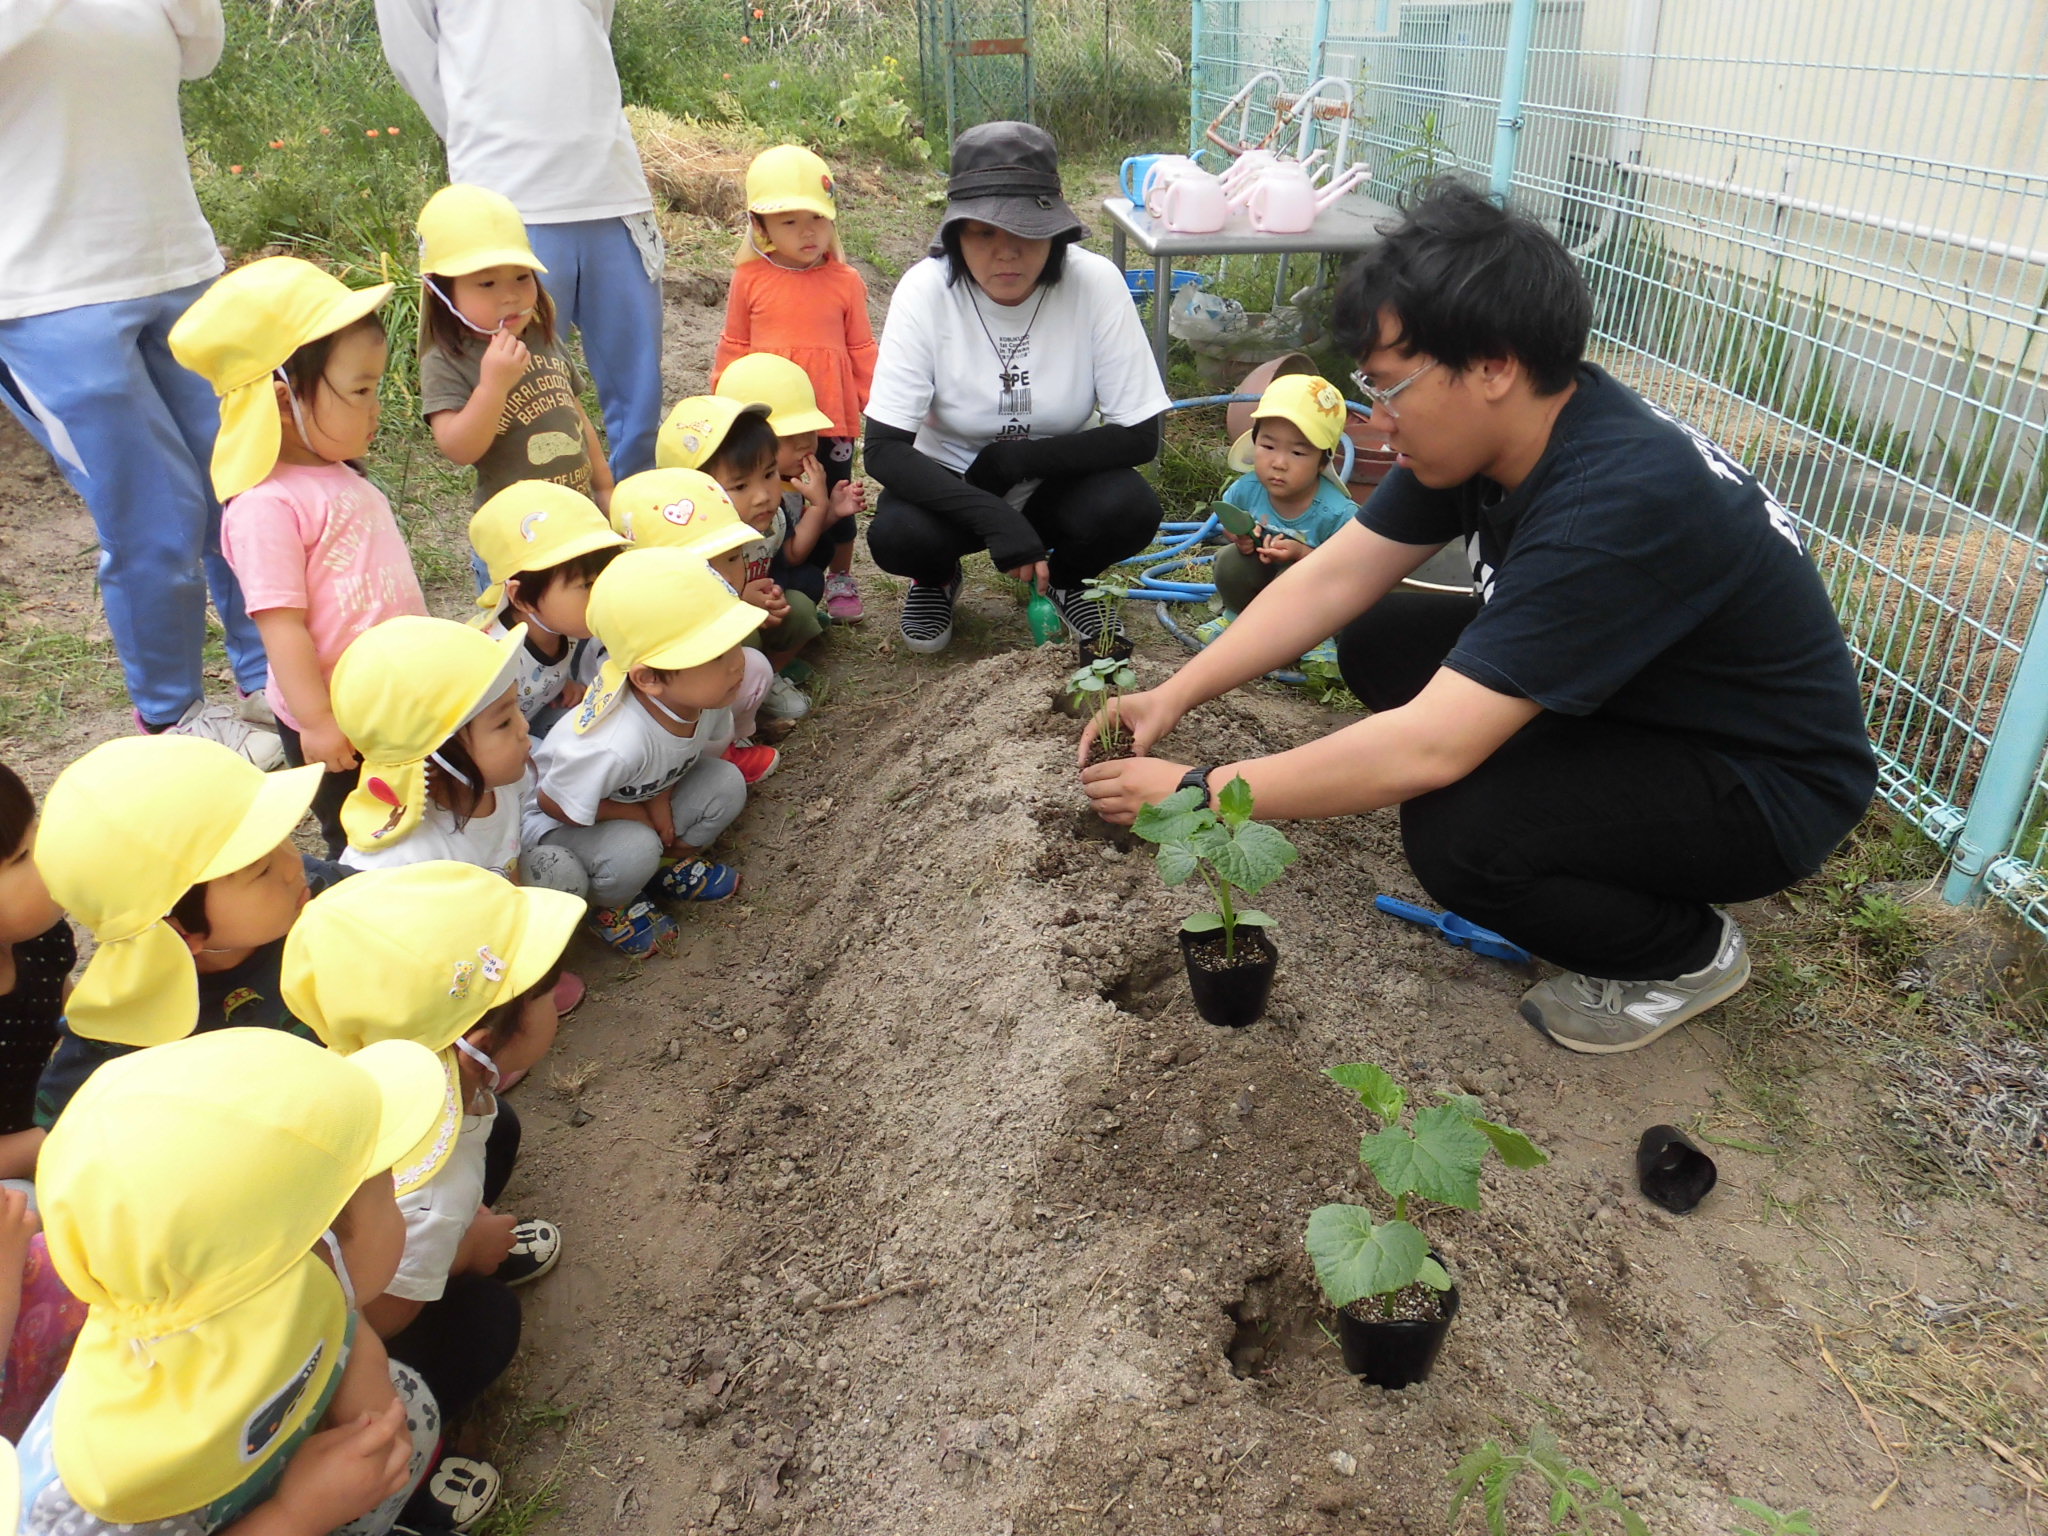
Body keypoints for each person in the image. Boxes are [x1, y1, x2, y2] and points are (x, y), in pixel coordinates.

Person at [1080, 183, 1876, 1056]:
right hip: (1649, 704)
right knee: (1382, 638)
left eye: (1390, 390)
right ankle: (1580, 831)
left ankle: (1685, 954)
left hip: (1763, 783)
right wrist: (1173, 696)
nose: (1377, 424)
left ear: (1492, 363)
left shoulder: (1609, 507)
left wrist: (1206, 793)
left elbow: (1430, 748)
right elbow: (1334, 580)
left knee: (1460, 835)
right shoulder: (1506, 425)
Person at [18, 1026, 479, 1534]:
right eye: (388, 1188)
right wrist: (294, 1516)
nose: (401, 1204)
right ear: (315, 1248)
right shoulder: (121, 1495)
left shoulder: (262, 1283)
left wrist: (358, 1380)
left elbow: (341, 1323)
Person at [0, 0, 276, 764]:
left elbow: (201, 48)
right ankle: (171, 715)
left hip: (177, 266)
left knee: (243, 489)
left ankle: (268, 677)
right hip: (45, 295)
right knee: (153, 518)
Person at [285, 863, 577, 1430]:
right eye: (542, 995)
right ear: (481, 1046)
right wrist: (463, 1248)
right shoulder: (435, 1186)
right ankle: (408, 1478)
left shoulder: (371, 1062)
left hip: (403, 1227)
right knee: (486, 1322)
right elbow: (382, 1313)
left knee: (502, 1128)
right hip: (349, 1320)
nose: (556, 1000)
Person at [864, 120, 1170, 657]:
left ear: (1055, 233)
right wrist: (994, 516)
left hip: (1057, 480)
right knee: (898, 536)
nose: (1006, 253)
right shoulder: (925, 291)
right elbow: (884, 449)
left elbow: (1141, 435)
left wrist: (1017, 462)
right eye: (984, 233)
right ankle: (935, 579)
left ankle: (1070, 581)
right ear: (956, 235)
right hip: (956, 480)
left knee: (1131, 507)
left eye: (1026, 233)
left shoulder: (1095, 283)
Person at [169, 258, 430, 860]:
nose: (376, 407)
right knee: (364, 836)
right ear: (284, 402)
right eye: (362, 390)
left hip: (396, 697)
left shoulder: (339, 474)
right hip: (338, 719)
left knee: (418, 810)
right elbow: (280, 623)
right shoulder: (266, 506)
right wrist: (316, 722)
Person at [377, 0, 664, 481]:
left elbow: (596, 23)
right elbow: (410, 53)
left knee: (640, 400)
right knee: (527, 400)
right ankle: (527, 544)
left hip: (611, 184)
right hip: (507, 201)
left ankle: (637, 526)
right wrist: (482, 135)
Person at [30, 737, 331, 1128]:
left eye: (281, 837)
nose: (294, 866)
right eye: (259, 870)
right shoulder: (128, 1036)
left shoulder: (321, 889)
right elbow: (74, 1131)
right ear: (181, 929)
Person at [529, 549, 760, 954]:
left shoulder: (705, 699)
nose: (736, 665)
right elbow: (554, 803)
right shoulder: (613, 742)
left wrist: (661, 798)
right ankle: (613, 907)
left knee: (725, 782)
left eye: (734, 645)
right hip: (564, 823)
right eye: (715, 655)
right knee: (634, 847)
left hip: (636, 797)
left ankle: (664, 869)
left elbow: (677, 761)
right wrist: (642, 812)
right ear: (649, 678)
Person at [711, 145, 877, 622]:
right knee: (775, 499)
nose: (808, 232)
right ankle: (767, 572)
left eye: (817, 219)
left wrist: (876, 404)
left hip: (831, 419)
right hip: (770, 420)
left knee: (838, 498)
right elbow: (735, 345)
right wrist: (724, 409)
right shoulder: (749, 279)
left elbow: (863, 349)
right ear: (760, 227)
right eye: (789, 222)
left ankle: (841, 574)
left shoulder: (845, 281)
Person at [418, 184, 616, 520]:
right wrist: (492, 386)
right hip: (516, 532)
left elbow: (575, 415)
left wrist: (604, 487)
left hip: (578, 515)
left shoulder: (539, 336)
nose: (510, 296)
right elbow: (458, 448)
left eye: (522, 277)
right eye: (487, 283)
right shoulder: (446, 359)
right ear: (438, 289)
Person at [607, 468, 785, 783]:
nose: (726, 578)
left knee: (751, 667)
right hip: (647, 740)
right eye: (705, 567)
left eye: (732, 559)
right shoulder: (630, 621)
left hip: (693, 714)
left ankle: (728, 747)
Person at [658, 396, 819, 721]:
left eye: (770, 473)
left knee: (800, 609)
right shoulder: (687, 544)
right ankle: (720, 711)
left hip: (756, 612)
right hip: (711, 633)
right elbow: (684, 615)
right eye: (740, 485)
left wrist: (772, 597)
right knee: (742, 635)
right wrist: (740, 600)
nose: (763, 495)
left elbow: (778, 561)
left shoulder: (771, 521)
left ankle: (766, 679)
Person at [1194, 374, 1360, 658]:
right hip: (1262, 579)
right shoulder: (1247, 489)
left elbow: (1350, 571)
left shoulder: (1338, 513)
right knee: (1230, 560)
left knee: (1298, 575)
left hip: (1312, 605)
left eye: (1297, 452)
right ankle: (1237, 615)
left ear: (1323, 462)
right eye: (1268, 447)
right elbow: (1229, 521)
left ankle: (1317, 639)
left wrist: (1300, 553)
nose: (1279, 463)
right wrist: (1240, 537)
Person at [716, 353, 867, 619]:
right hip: (738, 589)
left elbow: (795, 533)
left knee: (819, 553)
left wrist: (831, 512)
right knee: (807, 577)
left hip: (767, 575)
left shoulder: (789, 481)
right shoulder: (761, 492)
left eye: (810, 432)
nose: (805, 444)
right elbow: (792, 554)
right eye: (789, 436)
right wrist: (820, 506)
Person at [468, 481, 626, 732]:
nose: (602, 593)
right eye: (586, 585)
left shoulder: (561, 625)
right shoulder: (497, 663)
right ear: (520, 597)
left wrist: (560, 685)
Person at [0, 765, 68, 1182]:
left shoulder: (39, 942)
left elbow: (83, 1023)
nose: (49, 853)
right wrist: (71, 1133)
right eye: (23, 855)